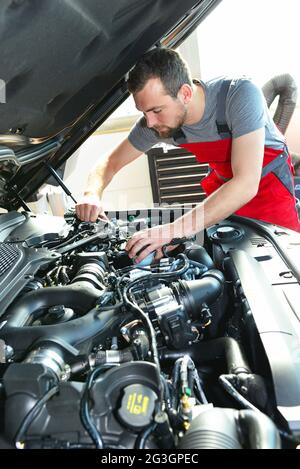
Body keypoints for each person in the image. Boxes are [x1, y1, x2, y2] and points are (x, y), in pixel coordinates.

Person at [76, 48, 300, 263]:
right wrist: (91, 194)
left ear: (185, 93)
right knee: (228, 262)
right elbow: (110, 162)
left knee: (282, 266)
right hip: (223, 192)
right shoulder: (154, 123)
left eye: (156, 110)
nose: (150, 122)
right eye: (144, 112)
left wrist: (172, 230)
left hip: (268, 190)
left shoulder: (239, 94)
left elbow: (245, 183)